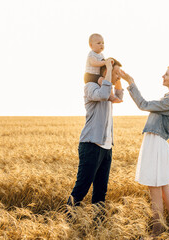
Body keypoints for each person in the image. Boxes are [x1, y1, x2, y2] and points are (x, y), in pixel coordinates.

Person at [120, 65, 169, 237]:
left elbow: (143, 105)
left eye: (166, 74)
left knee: (156, 192)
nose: (162, 76)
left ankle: (156, 233)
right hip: (156, 144)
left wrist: (131, 83)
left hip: (156, 145)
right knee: (165, 192)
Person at [66, 58, 123, 209]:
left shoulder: (107, 88)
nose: (118, 77)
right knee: (81, 189)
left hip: (106, 147)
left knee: (100, 192)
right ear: (106, 71)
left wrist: (118, 77)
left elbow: (119, 98)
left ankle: (98, 228)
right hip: (91, 144)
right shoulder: (91, 87)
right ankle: (66, 224)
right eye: (115, 73)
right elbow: (104, 95)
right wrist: (109, 72)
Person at [84, 33, 121, 103]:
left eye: (103, 43)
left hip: (97, 75)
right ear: (91, 45)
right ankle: (111, 97)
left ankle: (111, 94)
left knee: (107, 81)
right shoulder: (91, 54)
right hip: (90, 75)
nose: (101, 45)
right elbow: (93, 63)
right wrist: (105, 63)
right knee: (103, 81)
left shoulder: (101, 55)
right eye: (98, 43)